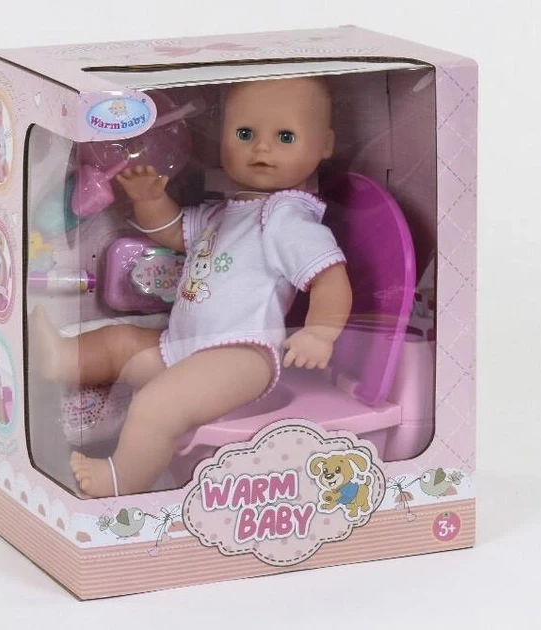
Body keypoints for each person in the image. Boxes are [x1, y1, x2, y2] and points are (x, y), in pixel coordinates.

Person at [33, 77, 353, 497]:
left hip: (242, 357)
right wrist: (150, 200)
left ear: (324, 144)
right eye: (245, 134)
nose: (261, 148)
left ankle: (121, 479)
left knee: (157, 406)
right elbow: (174, 233)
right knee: (119, 343)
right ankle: (62, 358)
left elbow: (329, 275)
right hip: (185, 347)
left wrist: (321, 332)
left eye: (285, 137)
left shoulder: (286, 217)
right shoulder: (228, 212)